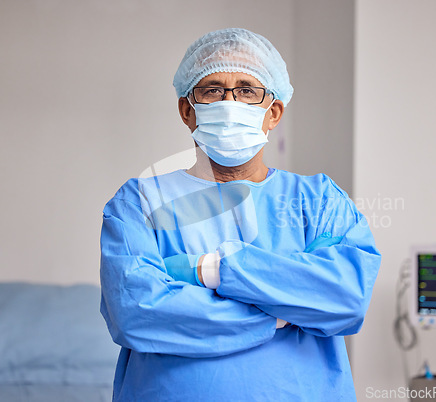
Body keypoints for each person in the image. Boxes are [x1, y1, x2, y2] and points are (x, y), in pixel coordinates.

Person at [100, 27, 381, 402]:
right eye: (212, 90)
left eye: (248, 90)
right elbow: (136, 311)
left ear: (273, 112)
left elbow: (345, 297)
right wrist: (284, 313)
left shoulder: (318, 201)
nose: (229, 102)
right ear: (188, 110)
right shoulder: (140, 202)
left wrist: (210, 271)